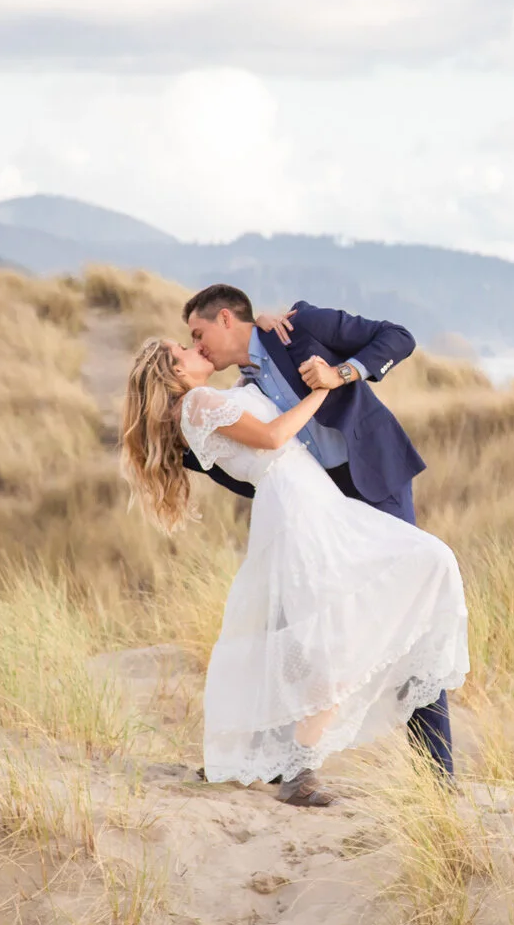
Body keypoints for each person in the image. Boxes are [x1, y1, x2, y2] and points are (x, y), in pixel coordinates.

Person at [118, 287, 467, 807]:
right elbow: (255, 450)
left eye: (197, 334)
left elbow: (399, 337)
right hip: (310, 508)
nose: (198, 346)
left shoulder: (296, 327)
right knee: (299, 635)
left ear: (226, 318)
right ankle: (280, 764)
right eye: (188, 345)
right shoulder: (218, 396)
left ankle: (437, 777)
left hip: (373, 481)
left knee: (404, 603)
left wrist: (340, 373)